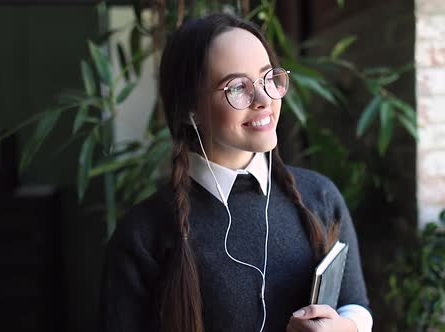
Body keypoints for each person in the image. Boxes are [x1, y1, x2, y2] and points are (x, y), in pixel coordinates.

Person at [100, 12, 373, 332]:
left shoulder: (319, 195)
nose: (264, 99)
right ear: (190, 110)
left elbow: (357, 306)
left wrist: (345, 327)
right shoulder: (145, 232)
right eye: (236, 87)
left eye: (268, 77)